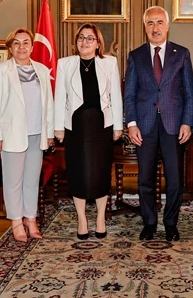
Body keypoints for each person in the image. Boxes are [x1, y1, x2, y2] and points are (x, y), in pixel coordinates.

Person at [124, 6, 193, 242]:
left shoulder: (181, 53)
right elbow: (129, 94)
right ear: (145, 27)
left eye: (159, 22)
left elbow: (190, 93)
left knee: (174, 179)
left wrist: (187, 122)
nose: (155, 28)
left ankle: (171, 223)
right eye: (150, 23)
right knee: (145, 178)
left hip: (173, 125)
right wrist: (131, 123)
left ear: (167, 25)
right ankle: (150, 223)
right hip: (144, 126)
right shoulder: (136, 56)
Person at [54, 24, 123, 239]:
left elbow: (115, 95)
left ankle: (100, 217)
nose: (85, 42)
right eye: (81, 38)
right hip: (75, 126)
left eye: (90, 38)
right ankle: (82, 218)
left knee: (101, 172)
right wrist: (58, 127)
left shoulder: (109, 62)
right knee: (78, 173)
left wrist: (118, 126)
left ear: (98, 43)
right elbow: (60, 97)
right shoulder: (65, 64)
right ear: (76, 42)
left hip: (102, 126)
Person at [0, 28, 55, 242]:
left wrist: (50, 132)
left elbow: (49, 104)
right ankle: (16, 221)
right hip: (11, 134)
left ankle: (30, 219)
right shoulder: (1, 70)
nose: (21, 47)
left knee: (32, 179)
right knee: (13, 181)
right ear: (10, 48)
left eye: (26, 42)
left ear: (32, 47)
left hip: (37, 133)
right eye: (16, 43)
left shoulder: (42, 70)